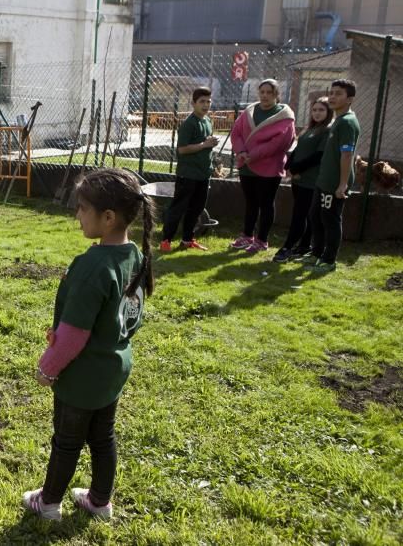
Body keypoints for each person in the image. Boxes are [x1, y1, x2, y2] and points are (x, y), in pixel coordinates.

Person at [22, 168, 155, 522]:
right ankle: (99, 501)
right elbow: (131, 314)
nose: (77, 215)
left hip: (82, 376)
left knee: (66, 441)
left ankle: (48, 503)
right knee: (102, 436)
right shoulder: (134, 256)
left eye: (82, 208)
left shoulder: (92, 266)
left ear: (108, 217)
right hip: (113, 368)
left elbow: (73, 336)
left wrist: (47, 368)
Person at [300, 79, 361, 273]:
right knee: (315, 216)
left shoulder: (347, 122)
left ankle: (329, 260)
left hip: (335, 183)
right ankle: (316, 253)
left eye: (339, 94)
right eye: (332, 92)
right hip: (323, 180)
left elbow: (347, 154)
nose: (333, 96)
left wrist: (342, 184)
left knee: (330, 220)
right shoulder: (338, 120)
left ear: (350, 99)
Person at [229, 79, 296, 253]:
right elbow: (236, 133)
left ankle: (262, 240)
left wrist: (254, 155)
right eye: (262, 92)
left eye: (269, 92)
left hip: (269, 167)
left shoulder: (285, 116)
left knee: (266, 203)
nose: (265, 96)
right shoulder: (249, 111)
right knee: (250, 203)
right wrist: (241, 151)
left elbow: (281, 142)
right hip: (246, 165)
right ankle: (247, 235)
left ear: (276, 95)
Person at [272, 97, 333, 263]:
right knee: (305, 215)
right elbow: (298, 150)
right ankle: (304, 246)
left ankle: (287, 247)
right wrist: (289, 167)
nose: (317, 113)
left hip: (311, 181)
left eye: (321, 110)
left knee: (299, 216)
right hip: (298, 180)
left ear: (329, 112)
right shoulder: (310, 129)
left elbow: (318, 156)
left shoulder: (327, 130)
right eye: (314, 110)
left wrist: (296, 169)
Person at [159, 87, 218, 252]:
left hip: (203, 174)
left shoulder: (207, 121)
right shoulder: (189, 124)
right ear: (193, 103)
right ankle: (166, 240)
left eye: (208, 102)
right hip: (188, 175)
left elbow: (204, 145)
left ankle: (187, 240)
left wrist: (210, 144)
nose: (205, 105)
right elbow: (182, 149)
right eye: (202, 102)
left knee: (197, 209)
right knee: (178, 208)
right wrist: (204, 144)